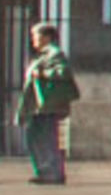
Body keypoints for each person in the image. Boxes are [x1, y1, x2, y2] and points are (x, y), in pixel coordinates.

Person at [19, 23, 77, 184]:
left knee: (45, 137)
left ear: (46, 37)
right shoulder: (43, 54)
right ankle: (46, 171)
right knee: (36, 136)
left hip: (47, 104)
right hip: (39, 104)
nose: (33, 40)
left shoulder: (54, 53)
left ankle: (52, 172)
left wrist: (43, 73)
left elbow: (63, 72)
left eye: (35, 36)